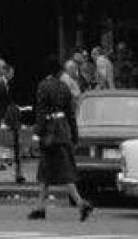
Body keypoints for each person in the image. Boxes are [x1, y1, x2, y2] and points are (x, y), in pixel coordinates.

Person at [28, 57, 93, 222]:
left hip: (50, 132)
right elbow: (71, 114)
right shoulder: (64, 87)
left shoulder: (43, 86)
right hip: (63, 131)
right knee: (46, 172)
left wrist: (37, 134)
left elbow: (41, 112)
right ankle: (39, 207)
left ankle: (81, 203)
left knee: (61, 172)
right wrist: (75, 135)